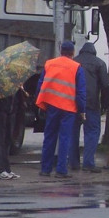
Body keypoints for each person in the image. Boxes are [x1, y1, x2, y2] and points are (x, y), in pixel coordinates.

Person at [36, 41, 86, 178]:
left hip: (52, 106)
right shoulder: (76, 67)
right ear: (73, 53)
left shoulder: (49, 64)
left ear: (61, 51)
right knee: (65, 138)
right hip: (68, 108)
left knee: (49, 137)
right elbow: (81, 92)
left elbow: (41, 84)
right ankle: (61, 170)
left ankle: (45, 169)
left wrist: (40, 103)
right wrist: (82, 110)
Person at [68, 42, 109, 173]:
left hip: (73, 103)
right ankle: (88, 163)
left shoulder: (73, 62)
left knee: (72, 133)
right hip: (92, 103)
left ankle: (73, 163)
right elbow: (105, 86)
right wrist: (105, 104)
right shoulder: (100, 63)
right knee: (92, 132)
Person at [0, 92, 22, 180]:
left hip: (9, 109)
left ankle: (6, 169)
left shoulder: (10, 82)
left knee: (7, 139)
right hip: (0, 109)